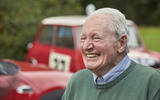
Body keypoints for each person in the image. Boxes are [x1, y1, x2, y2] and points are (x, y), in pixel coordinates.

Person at [62, 8, 160, 100]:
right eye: (83, 38)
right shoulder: (77, 81)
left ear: (121, 43)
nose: (86, 46)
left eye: (96, 38)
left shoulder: (153, 83)